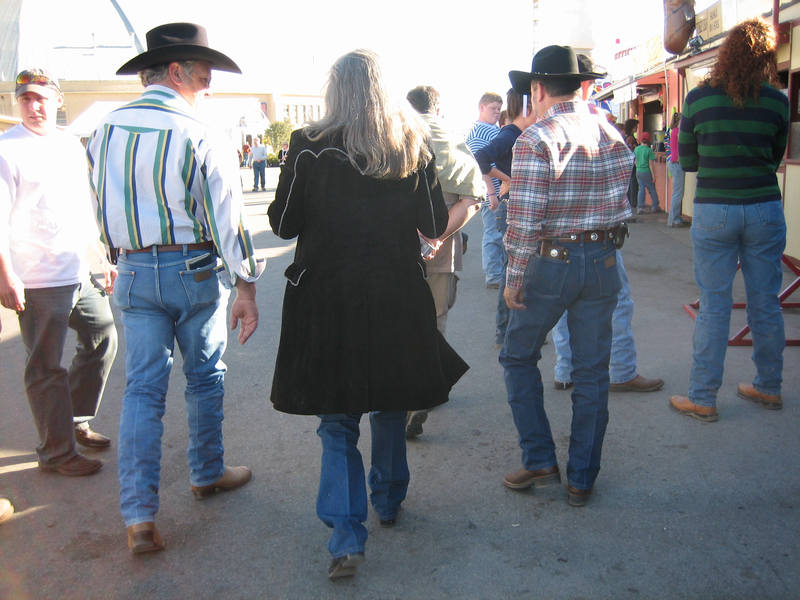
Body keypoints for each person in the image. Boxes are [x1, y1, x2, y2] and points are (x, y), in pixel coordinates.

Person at [268, 50, 468, 580]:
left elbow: (283, 224)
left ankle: (345, 537)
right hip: (395, 292)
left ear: (335, 90)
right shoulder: (410, 145)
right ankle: (390, 498)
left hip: (326, 297)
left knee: (337, 417)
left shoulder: (308, 145)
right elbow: (433, 222)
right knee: (389, 399)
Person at [87, 22, 265, 554]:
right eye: (203, 73)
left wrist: (114, 255)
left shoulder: (104, 129)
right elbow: (229, 219)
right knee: (204, 377)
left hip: (134, 269)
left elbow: (98, 204)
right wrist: (247, 285)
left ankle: (139, 516)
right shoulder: (200, 130)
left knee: (143, 390)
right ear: (174, 71)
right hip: (192, 269)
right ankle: (206, 472)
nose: (208, 83)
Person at [500, 45, 633, 507]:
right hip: (603, 258)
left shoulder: (535, 139)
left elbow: (525, 218)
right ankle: (582, 478)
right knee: (592, 372)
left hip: (551, 262)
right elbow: (624, 202)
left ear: (538, 89)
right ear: (581, 88)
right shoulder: (612, 133)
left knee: (518, 355)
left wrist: (514, 276)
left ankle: (539, 458)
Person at [0, 68, 118, 478]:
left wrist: (99, 257)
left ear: (57, 101)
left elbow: (81, 209)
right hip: (37, 278)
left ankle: (74, 419)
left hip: (77, 270)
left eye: (41, 98)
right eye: (26, 99)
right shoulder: (7, 149)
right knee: (45, 366)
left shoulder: (69, 146)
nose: (33, 106)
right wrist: (6, 275)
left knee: (103, 337)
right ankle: (55, 452)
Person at [670, 18, 788, 422]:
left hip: (714, 209)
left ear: (726, 54)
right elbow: (775, 157)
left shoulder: (699, 99)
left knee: (714, 305)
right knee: (766, 301)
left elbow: (688, 160)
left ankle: (703, 398)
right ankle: (769, 387)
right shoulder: (778, 102)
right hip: (764, 207)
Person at [550, 54, 664, 394]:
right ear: (585, 85)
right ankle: (621, 370)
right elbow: (621, 178)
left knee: (563, 305)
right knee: (617, 302)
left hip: (556, 238)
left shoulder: (542, 129)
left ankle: (565, 369)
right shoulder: (599, 125)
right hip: (598, 236)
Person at [404, 85, 484, 439]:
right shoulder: (454, 141)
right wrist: (436, 236)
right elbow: (472, 199)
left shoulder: (396, 136)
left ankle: (409, 394)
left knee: (400, 320)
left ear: (409, 107)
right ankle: (426, 388)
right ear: (437, 109)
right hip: (442, 247)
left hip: (397, 247)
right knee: (434, 321)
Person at [473, 88, 537, 347]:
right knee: (513, 271)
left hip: (517, 206)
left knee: (519, 270)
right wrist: (508, 179)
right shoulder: (510, 134)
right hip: (510, 207)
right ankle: (505, 330)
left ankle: (514, 328)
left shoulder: (519, 133)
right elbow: (481, 158)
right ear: (527, 107)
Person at [466, 92, 505, 288]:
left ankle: (498, 273)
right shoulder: (479, 132)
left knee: (499, 233)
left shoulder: (493, 129)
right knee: (493, 234)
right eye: (493, 108)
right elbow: (480, 165)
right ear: (481, 107)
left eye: (499, 108)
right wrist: (491, 193)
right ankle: (494, 276)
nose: (497, 112)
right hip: (493, 192)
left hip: (499, 190)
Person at [665, 111, 689, 227]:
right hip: (677, 163)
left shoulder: (673, 131)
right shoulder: (679, 132)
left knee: (677, 192)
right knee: (678, 193)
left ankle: (676, 218)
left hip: (673, 163)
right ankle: (673, 219)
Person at [634, 132, 661, 213]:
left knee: (641, 189)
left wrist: (638, 167)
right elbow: (651, 165)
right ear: (649, 140)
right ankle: (655, 206)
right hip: (646, 171)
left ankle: (640, 207)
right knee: (652, 189)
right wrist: (654, 176)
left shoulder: (637, 149)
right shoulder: (649, 150)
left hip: (638, 171)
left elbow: (635, 161)